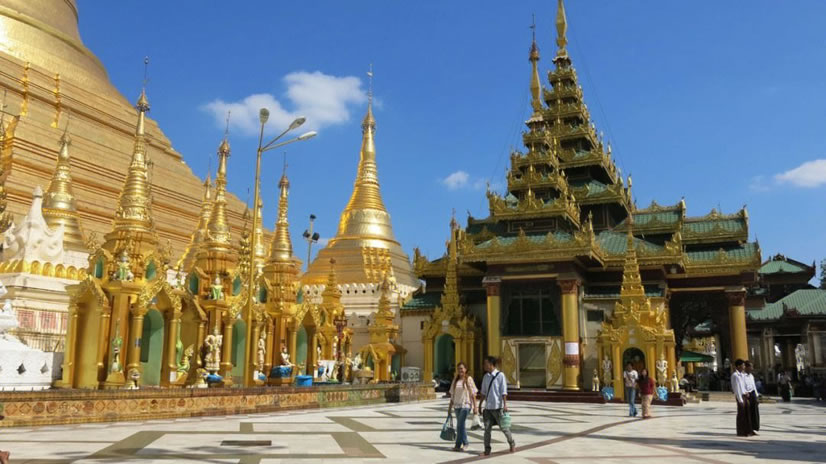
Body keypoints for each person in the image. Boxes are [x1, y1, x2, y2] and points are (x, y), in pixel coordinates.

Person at [478, 356, 515, 456]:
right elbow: (483, 392)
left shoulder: (500, 375)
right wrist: (480, 405)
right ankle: (487, 449)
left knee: (504, 428)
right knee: (487, 430)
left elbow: (503, 391)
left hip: (498, 407)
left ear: (491, 364)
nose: (484, 366)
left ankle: (511, 443)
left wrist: (505, 405)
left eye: (485, 364)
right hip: (488, 408)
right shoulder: (485, 377)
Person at [448, 361, 478, 451]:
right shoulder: (455, 380)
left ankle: (463, 444)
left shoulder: (469, 379)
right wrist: (449, 408)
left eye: (461, 368)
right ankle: (459, 445)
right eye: (458, 369)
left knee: (459, 425)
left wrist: (475, 407)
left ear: (465, 369)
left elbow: (473, 394)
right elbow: (452, 395)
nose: (460, 370)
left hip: (466, 405)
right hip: (457, 406)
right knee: (461, 425)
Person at [731, 359, 754, 437]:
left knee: (746, 413)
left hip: (745, 395)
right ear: (738, 366)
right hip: (740, 396)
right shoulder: (735, 375)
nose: (744, 366)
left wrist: (746, 392)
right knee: (741, 414)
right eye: (743, 365)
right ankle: (741, 431)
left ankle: (747, 430)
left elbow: (743, 385)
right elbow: (736, 388)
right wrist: (740, 399)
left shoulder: (742, 375)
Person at [744, 361, 760, 433]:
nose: (752, 368)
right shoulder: (742, 376)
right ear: (746, 367)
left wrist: (756, 396)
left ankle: (754, 428)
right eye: (751, 366)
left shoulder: (751, 376)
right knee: (748, 412)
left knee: (755, 412)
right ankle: (748, 428)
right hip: (747, 394)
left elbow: (754, 386)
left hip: (753, 394)